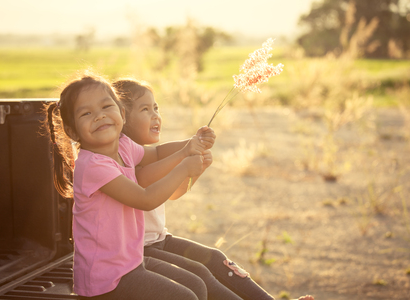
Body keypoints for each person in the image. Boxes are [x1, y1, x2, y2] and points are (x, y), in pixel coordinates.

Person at [113, 78, 314, 300]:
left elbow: (173, 194)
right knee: (201, 274)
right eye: (145, 109)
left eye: (156, 108)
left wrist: (195, 170)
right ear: (122, 118)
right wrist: (184, 161)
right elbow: (143, 181)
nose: (155, 115)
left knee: (216, 259)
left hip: (160, 240)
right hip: (141, 249)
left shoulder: (146, 153)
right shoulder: (124, 159)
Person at [45, 71, 212, 300]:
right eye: (86, 113)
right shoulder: (92, 165)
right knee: (186, 297)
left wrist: (189, 146)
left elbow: (155, 154)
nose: (99, 116)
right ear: (72, 131)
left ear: (121, 113)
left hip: (130, 264)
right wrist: (183, 167)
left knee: (197, 285)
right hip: (106, 279)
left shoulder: (123, 146)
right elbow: (145, 199)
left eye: (106, 107)